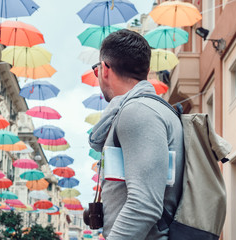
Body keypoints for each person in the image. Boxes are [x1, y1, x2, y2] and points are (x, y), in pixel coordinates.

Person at [89, 29, 184, 240]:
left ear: (104, 69)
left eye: (96, 70)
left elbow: (144, 205)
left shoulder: (138, 112)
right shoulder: (147, 110)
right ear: (148, 70)